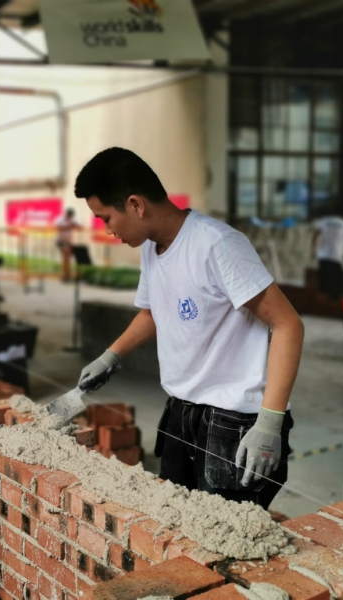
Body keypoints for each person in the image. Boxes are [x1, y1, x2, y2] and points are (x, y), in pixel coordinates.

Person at [75, 148, 304, 510]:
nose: (107, 229)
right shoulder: (151, 247)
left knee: (223, 533)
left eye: (106, 218)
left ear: (135, 205)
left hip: (234, 419)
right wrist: (111, 355)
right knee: (178, 521)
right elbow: (154, 311)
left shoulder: (217, 245)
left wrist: (270, 423)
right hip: (182, 411)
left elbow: (288, 324)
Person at [311, 214, 343, 300]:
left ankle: (321, 303)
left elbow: (315, 235)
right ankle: (333, 302)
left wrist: (314, 250)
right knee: (335, 288)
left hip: (323, 256)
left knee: (323, 286)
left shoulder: (324, 221)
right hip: (336, 258)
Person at [55, 208, 80, 282]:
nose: (69, 217)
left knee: (67, 258)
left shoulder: (72, 220)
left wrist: (74, 225)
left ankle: (67, 274)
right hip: (61, 240)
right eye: (68, 215)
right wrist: (69, 226)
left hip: (69, 241)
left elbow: (79, 227)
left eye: (70, 216)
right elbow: (58, 228)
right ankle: (65, 275)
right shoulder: (60, 219)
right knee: (66, 257)